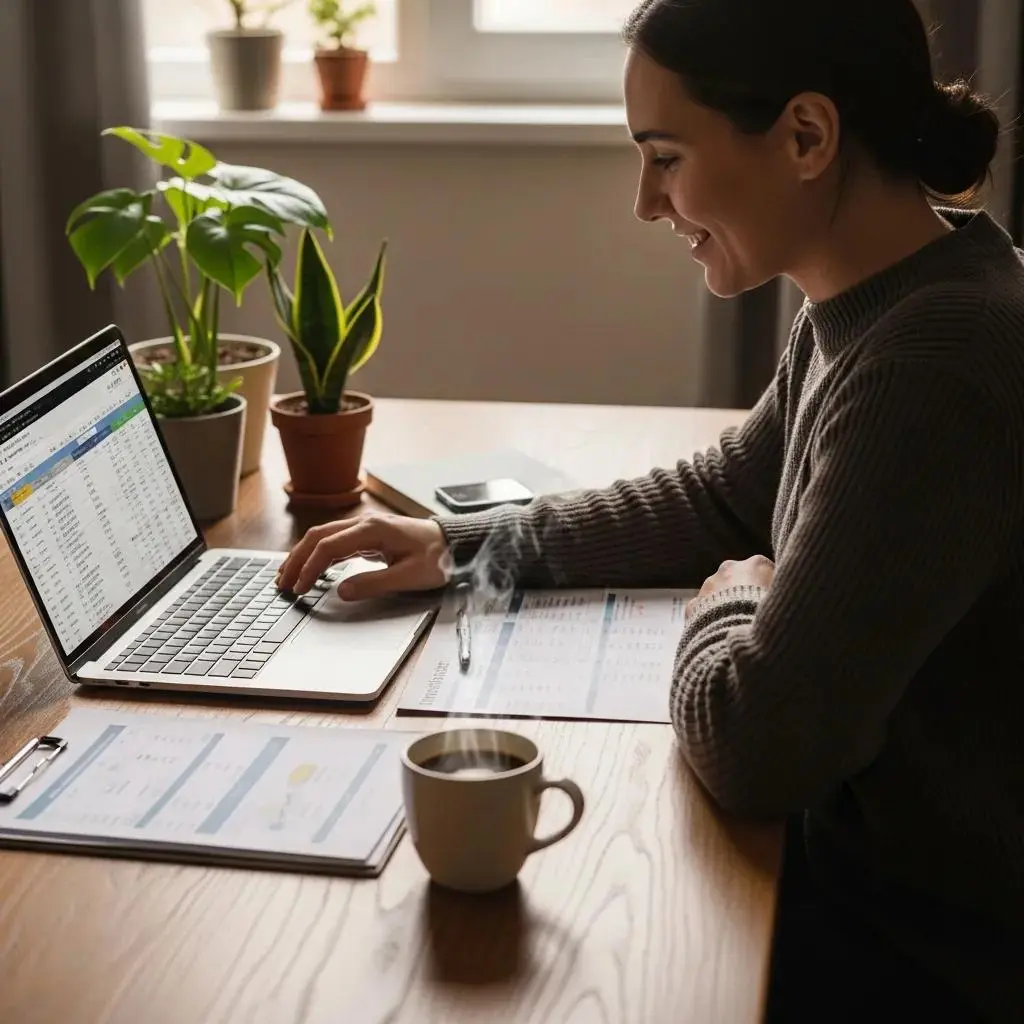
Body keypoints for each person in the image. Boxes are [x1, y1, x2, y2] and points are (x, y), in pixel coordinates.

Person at [277, 0, 1023, 1019]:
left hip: (918, 954)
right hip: (848, 887)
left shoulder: (934, 364)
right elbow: (723, 496)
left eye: (665, 157)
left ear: (807, 136)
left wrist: (732, 604)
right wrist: (461, 547)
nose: (644, 202)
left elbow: (758, 744)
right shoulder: (880, 303)